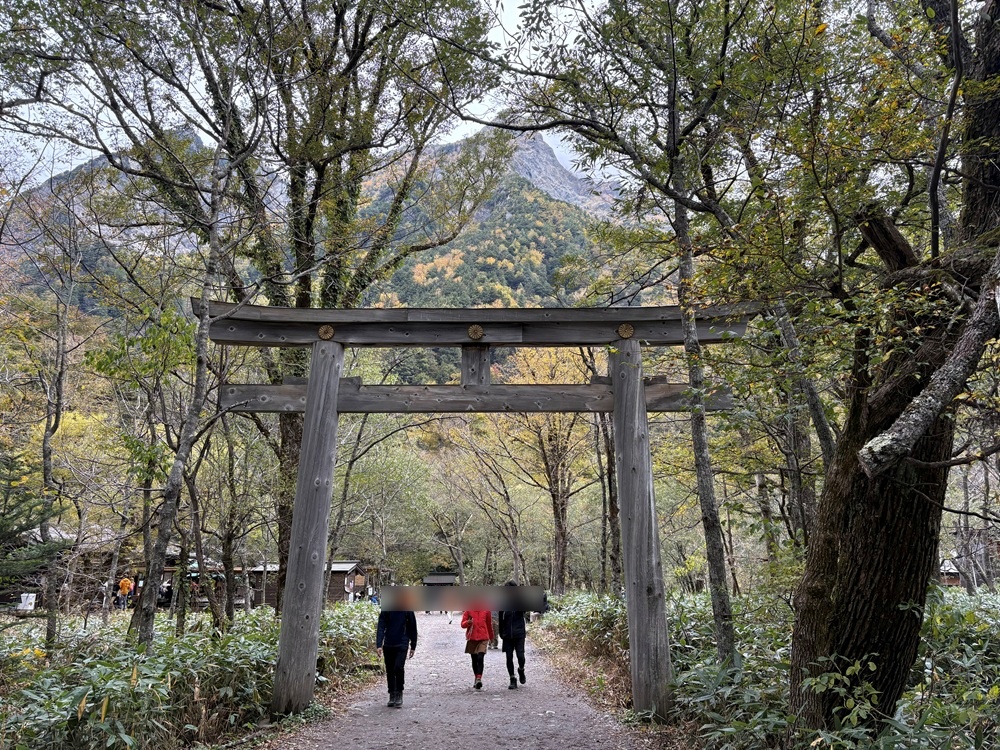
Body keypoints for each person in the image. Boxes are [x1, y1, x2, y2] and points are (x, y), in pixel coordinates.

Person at [376, 606, 417, 708]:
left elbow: (413, 626)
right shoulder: (387, 609)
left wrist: (413, 645)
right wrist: (379, 644)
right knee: (390, 670)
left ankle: (399, 692)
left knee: (398, 667)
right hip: (389, 643)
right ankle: (392, 694)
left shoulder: (407, 609)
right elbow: (381, 625)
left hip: (402, 642)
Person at [498, 581, 528, 689]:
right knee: (509, 657)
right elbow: (500, 618)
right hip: (507, 634)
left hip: (519, 633)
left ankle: (521, 669)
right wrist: (500, 632)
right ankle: (512, 678)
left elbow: (525, 610)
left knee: (520, 655)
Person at [461, 606, 494, 690]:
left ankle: (479, 678)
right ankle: (476, 678)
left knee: (480, 657)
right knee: (474, 659)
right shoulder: (468, 610)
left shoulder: (486, 610)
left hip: (483, 638)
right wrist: (468, 622)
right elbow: (462, 624)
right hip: (472, 638)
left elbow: (489, 624)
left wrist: (491, 637)